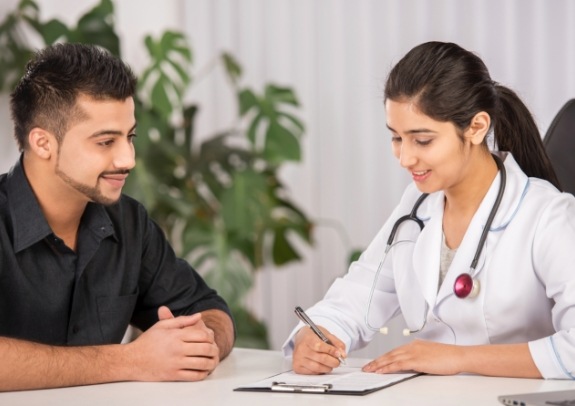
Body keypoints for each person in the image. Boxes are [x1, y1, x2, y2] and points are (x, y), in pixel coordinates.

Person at [283, 41, 575, 380]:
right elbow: (361, 292)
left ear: (477, 127)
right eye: (396, 138)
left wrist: (459, 358)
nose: (406, 158)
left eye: (422, 141)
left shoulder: (548, 216)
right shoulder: (417, 206)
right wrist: (315, 334)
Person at [0, 43, 235, 391]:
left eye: (130, 137)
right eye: (106, 142)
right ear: (43, 143)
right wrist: (132, 360)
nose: (128, 159)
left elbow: (209, 309)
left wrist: (202, 343)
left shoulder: (129, 222)